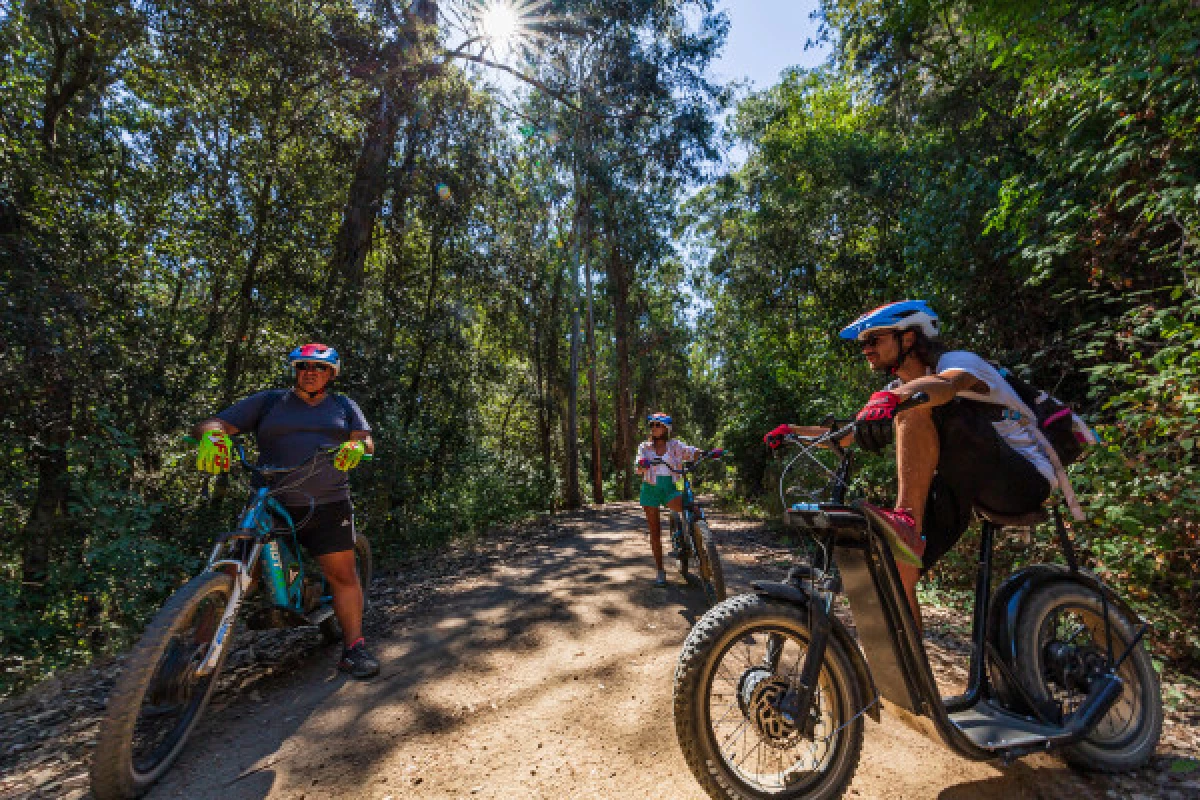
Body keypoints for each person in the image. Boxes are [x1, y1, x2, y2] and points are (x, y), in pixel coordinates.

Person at [765, 301, 1072, 629]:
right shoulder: (896, 391)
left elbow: (947, 386)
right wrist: (794, 432)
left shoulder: (958, 362)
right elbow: (845, 434)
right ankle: (909, 674)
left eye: (874, 340)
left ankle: (906, 522)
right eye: (863, 343)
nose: (866, 349)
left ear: (908, 339)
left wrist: (896, 400)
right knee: (896, 570)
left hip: (1025, 477)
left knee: (915, 402)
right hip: (965, 479)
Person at [192, 343, 380, 679]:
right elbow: (213, 423)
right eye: (303, 367)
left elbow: (366, 441)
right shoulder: (269, 402)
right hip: (270, 501)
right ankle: (193, 656)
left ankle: (354, 648)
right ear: (295, 371)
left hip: (328, 503)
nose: (310, 373)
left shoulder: (343, 406)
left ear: (331, 374)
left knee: (342, 575)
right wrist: (213, 438)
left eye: (319, 368)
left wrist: (356, 445)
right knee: (234, 572)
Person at [636, 413, 701, 588]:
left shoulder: (675, 446)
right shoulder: (645, 447)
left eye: (658, 425)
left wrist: (703, 453)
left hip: (669, 489)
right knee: (655, 532)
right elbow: (638, 464)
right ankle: (660, 570)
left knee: (689, 507)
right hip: (650, 490)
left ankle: (697, 542)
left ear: (667, 428)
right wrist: (642, 464)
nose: (655, 428)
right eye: (653, 425)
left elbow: (690, 452)